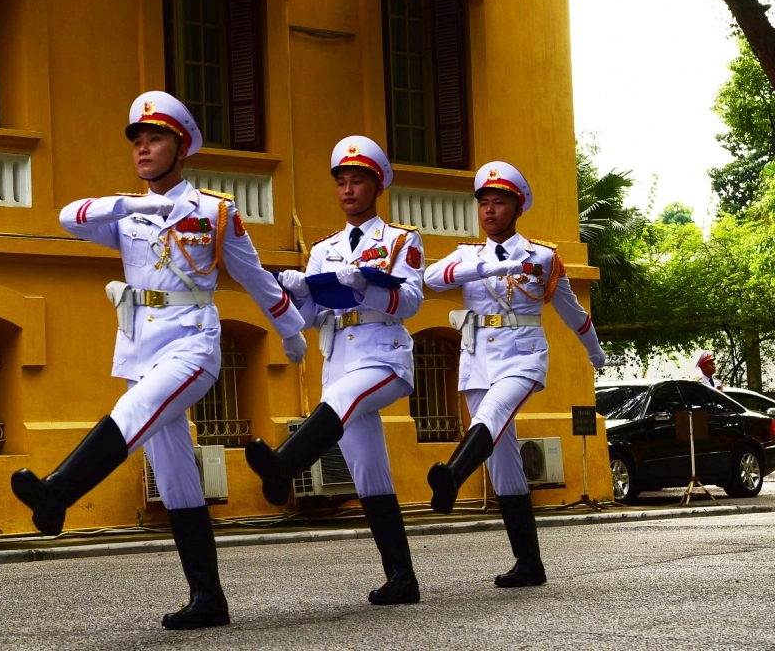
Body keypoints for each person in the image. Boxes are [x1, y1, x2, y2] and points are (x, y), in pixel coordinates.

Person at [11, 91, 308, 630]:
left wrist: (291, 331)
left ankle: (58, 492)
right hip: (140, 346)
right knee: (175, 478)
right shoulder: (125, 213)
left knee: (137, 407)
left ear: (181, 147)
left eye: (155, 139)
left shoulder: (216, 212)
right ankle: (208, 598)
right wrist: (131, 205)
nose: (144, 150)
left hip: (192, 343)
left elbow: (256, 277)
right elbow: (67, 218)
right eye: (138, 142)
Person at [245, 135, 424, 605]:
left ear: (377, 184)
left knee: (338, 403)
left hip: (383, 357)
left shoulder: (401, 240)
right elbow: (307, 319)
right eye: (341, 182)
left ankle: (285, 464)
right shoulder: (324, 249)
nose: (347, 190)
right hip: (339, 360)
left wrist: (363, 285)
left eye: (357, 180)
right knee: (369, 473)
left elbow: (410, 300)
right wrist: (287, 294)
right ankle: (402, 578)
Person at [422, 161, 605, 588]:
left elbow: (572, 311)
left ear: (516, 207)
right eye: (483, 202)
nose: (488, 210)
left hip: (522, 358)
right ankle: (529, 563)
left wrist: (594, 352)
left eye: (498, 202)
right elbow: (431, 277)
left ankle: (451, 474)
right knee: (504, 464)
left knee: (493, 411)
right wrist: (485, 269)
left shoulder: (541, 257)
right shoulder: (469, 255)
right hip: (477, 360)